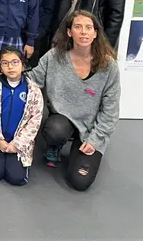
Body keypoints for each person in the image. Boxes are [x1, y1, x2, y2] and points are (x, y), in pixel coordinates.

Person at [33, 11, 120, 191]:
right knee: (55, 130)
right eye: (78, 27)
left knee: (80, 182)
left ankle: (82, 147)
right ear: (69, 32)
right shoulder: (54, 56)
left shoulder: (109, 66)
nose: (83, 32)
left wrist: (95, 140)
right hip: (62, 120)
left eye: (89, 28)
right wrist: (2, 77)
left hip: (90, 127)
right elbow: (32, 79)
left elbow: (110, 111)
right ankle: (55, 146)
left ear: (96, 33)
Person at [0, 47, 42, 186]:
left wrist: (17, 144)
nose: (10, 66)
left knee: (16, 178)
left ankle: (13, 157)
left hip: (18, 142)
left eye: (15, 62)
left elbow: (35, 120)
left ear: (23, 64)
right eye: (5, 63)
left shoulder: (33, 90)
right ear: (0, 67)